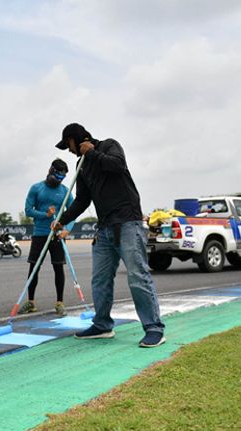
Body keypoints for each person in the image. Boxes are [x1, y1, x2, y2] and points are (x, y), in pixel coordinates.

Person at [51, 123, 166, 348]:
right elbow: (83, 200)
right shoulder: (81, 164)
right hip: (104, 228)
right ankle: (102, 325)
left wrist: (91, 153)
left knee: (137, 276)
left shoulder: (108, 146)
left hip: (127, 223)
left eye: (69, 145)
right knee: (100, 279)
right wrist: (62, 220)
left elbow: (118, 166)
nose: (69, 150)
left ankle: (154, 328)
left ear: (76, 139)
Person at [19, 159, 74, 316]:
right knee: (34, 268)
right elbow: (28, 210)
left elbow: (73, 212)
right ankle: (31, 302)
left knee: (58, 267)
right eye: (57, 176)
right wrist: (46, 214)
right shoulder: (37, 188)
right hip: (40, 234)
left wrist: (67, 229)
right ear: (51, 170)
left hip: (57, 236)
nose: (59, 180)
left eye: (62, 178)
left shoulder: (65, 191)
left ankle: (59, 303)